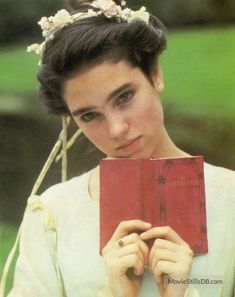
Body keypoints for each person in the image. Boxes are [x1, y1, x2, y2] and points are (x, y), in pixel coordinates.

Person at [6, 0, 235, 296]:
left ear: (155, 74)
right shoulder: (53, 215)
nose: (116, 129)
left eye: (124, 97)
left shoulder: (230, 198)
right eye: (89, 115)